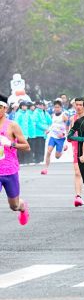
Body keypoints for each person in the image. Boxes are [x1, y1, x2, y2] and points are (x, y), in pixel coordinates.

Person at [0, 94, 31, 225]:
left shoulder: (12, 125)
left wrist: (10, 144)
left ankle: (22, 207)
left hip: (10, 171)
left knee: (14, 205)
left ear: (5, 108)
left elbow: (27, 146)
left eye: (0, 107)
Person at [41, 100, 69, 175]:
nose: (57, 109)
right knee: (48, 151)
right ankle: (45, 169)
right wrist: (48, 130)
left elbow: (67, 126)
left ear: (61, 108)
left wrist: (63, 134)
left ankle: (63, 148)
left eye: (58, 107)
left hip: (60, 138)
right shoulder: (53, 115)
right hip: (53, 137)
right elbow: (52, 125)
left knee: (57, 156)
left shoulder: (64, 116)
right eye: (55, 107)